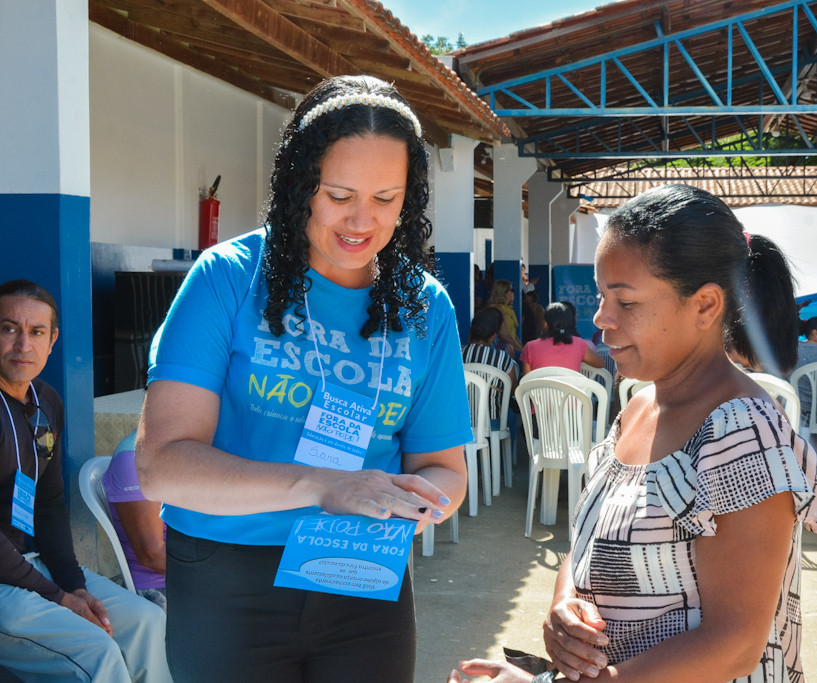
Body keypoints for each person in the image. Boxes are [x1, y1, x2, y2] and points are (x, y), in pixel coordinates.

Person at [136, 75, 472, 683]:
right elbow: (163, 464)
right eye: (339, 193)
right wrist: (323, 486)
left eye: (386, 197)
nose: (361, 220)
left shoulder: (426, 309)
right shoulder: (228, 279)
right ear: (300, 186)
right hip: (227, 578)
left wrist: (417, 502)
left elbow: (445, 469)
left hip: (364, 574)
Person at [451, 185, 817, 683]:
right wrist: (564, 606)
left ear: (705, 305)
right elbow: (589, 541)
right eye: (603, 297)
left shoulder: (740, 430)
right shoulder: (640, 407)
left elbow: (733, 645)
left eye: (625, 301)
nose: (602, 319)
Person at [0, 279, 170, 682]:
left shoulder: (46, 401)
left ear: (52, 339)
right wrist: (58, 597)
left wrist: (74, 586)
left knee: (146, 619)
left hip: (32, 566)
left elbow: (48, 503)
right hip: (10, 583)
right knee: (97, 649)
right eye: (9, 328)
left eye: (36, 331)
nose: (24, 344)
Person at [101, 429, 167, 609]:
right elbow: (152, 555)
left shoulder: (188, 449)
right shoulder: (134, 457)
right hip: (161, 586)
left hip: (201, 571)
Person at [463, 307, 520, 439]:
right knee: (511, 417)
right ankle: (506, 457)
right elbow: (512, 391)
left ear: (471, 332)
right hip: (494, 423)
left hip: (464, 422)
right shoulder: (502, 358)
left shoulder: (459, 354)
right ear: (493, 337)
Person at [521, 302, 605, 375]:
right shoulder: (579, 344)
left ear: (545, 324)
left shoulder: (530, 347)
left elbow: (526, 378)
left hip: (538, 393)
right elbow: (600, 363)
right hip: (571, 393)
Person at [488, 279, 524, 355]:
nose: (514, 293)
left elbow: (513, 335)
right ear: (503, 292)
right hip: (498, 350)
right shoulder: (497, 310)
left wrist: (523, 348)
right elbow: (505, 335)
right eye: (512, 290)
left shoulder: (508, 310)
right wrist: (521, 351)